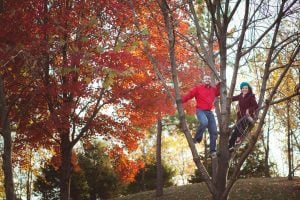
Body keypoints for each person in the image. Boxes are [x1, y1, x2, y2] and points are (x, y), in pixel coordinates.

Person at [182, 75, 220, 157]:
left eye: (209, 79)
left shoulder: (213, 89)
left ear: (210, 81)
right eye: (206, 78)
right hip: (200, 111)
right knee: (204, 122)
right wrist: (181, 100)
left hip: (210, 113)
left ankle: (213, 151)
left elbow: (218, 92)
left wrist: (219, 84)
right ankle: (196, 139)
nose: (207, 80)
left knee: (214, 132)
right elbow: (189, 95)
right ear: (203, 80)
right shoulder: (198, 88)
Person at [228, 82, 258, 151]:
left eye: (246, 88)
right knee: (236, 130)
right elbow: (232, 98)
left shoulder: (251, 96)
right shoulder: (240, 96)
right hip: (240, 117)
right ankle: (231, 146)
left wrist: (249, 110)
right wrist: (225, 98)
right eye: (243, 88)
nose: (245, 89)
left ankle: (237, 139)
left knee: (239, 129)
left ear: (248, 89)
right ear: (241, 89)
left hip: (248, 116)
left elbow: (256, 106)